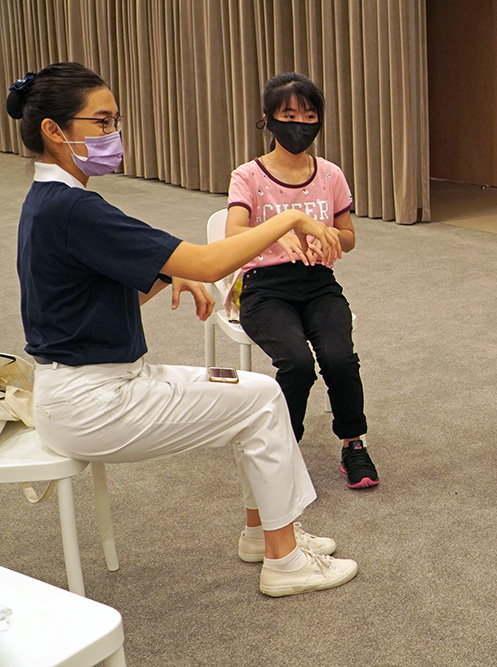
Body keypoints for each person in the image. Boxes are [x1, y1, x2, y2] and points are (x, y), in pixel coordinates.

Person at [8, 62, 359, 597]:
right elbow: (209, 261)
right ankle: (284, 561)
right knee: (263, 398)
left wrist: (165, 276)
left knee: (254, 395)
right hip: (95, 399)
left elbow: (85, 294)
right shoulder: (75, 209)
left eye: (115, 121)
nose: (113, 135)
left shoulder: (50, 204)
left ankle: (264, 535)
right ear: (55, 130)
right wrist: (285, 220)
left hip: (91, 386)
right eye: (101, 123)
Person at [225, 72, 378, 489]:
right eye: (288, 114)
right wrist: (279, 229)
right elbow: (233, 235)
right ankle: (284, 449)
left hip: (318, 284)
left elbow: (348, 237)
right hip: (264, 286)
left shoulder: (330, 174)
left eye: (309, 115)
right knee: (296, 364)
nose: (300, 124)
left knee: (340, 359)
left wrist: (328, 240)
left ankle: (354, 444)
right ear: (268, 119)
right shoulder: (249, 176)